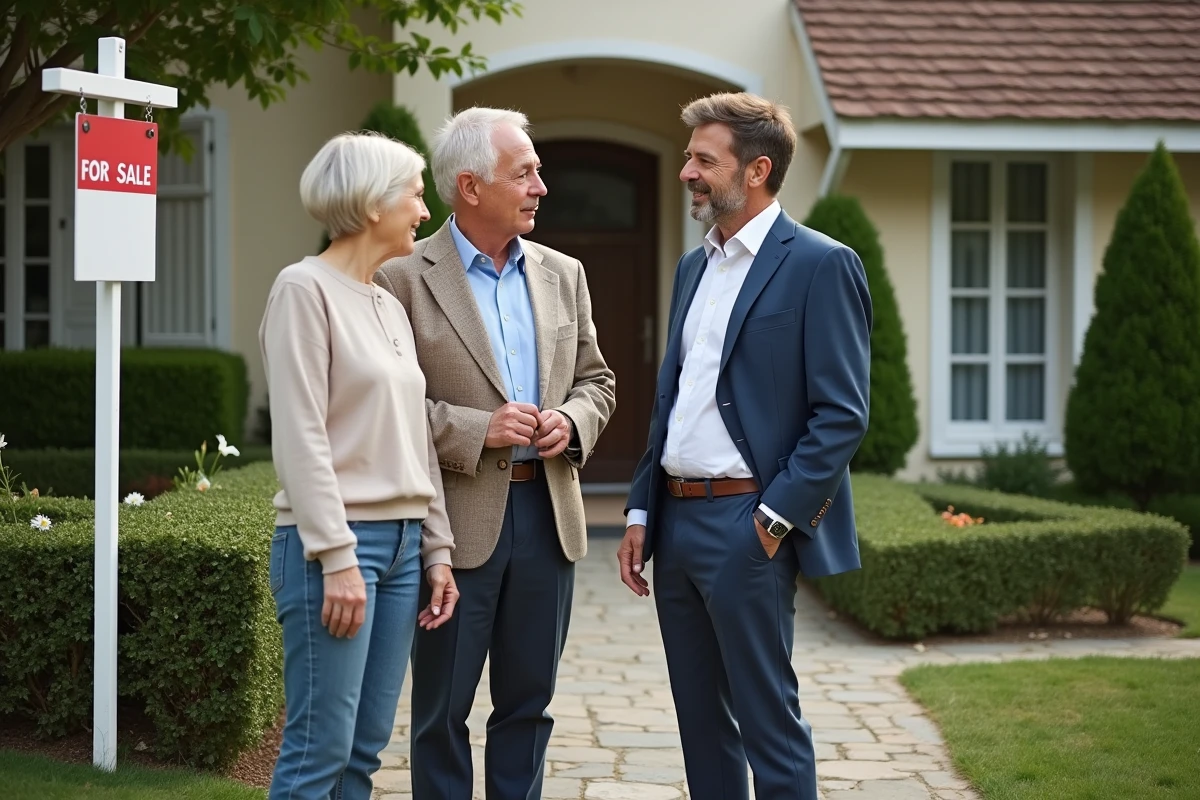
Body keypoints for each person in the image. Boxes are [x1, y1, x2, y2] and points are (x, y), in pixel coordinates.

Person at [618, 92, 873, 800]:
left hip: (748, 526)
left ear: (756, 169)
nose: (686, 172)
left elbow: (842, 414)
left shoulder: (822, 264)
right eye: (690, 157)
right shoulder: (691, 269)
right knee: (701, 728)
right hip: (675, 524)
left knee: (768, 725)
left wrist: (772, 520)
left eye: (704, 159)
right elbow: (673, 401)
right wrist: (641, 512)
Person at [374, 106, 616, 799]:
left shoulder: (564, 273)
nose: (541, 186)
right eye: (526, 172)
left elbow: (598, 380)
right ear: (471, 186)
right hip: (450, 530)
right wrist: (478, 429)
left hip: (550, 522)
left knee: (528, 707)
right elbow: (387, 407)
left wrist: (571, 420)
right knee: (440, 714)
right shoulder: (401, 278)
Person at [259, 131, 460, 800]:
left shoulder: (387, 302)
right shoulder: (302, 289)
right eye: (413, 194)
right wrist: (337, 555)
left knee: (363, 753)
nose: (423, 210)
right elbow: (299, 435)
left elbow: (416, 438)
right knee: (320, 751)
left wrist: (436, 548)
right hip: (337, 550)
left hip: (403, 551)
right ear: (373, 205)